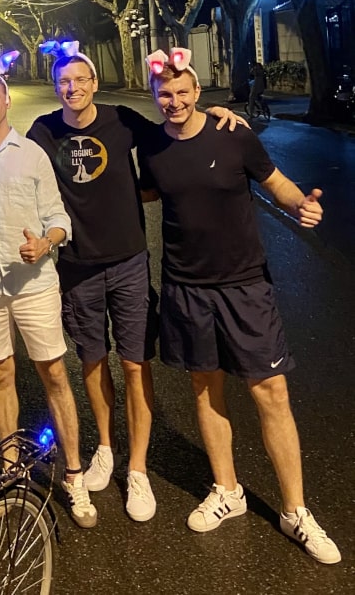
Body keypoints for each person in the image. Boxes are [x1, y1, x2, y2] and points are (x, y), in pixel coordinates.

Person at [26, 42, 245, 522]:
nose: (73, 88)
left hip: (127, 260)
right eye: (65, 81)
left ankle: (139, 469)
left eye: (81, 80)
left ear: (93, 84)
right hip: (76, 265)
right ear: (57, 87)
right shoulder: (43, 131)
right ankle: (105, 446)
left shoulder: (122, 120)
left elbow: (175, 130)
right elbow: (18, 172)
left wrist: (213, 112)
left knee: (134, 363)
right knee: (91, 359)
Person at [137, 48, 340, 564]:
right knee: (206, 388)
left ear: (198, 92)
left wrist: (300, 204)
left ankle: (296, 510)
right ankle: (228, 491)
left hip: (245, 284)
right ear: (155, 95)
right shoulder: (153, 147)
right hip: (187, 287)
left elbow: (274, 182)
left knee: (270, 391)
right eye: (166, 94)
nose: (174, 101)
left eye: (183, 92)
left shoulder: (233, 133)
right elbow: (141, 192)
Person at [0, 62, 97, 529]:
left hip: (34, 284)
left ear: (7, 101)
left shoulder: (32, 154)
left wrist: (46, 242)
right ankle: (11, 472)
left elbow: (59, 218)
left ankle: (74, 474)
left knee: (53, 372)